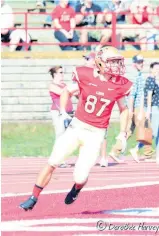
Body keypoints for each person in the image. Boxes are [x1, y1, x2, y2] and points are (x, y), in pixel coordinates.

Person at [19, 46, 132, 210]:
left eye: (117, 62)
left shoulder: (120, 84)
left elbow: (124, 109)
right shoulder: (85, 75)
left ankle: (77, 188)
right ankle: (33, 198)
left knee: (80, 177)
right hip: (77, 127)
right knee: (53, 161)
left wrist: (122, 134)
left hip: (96, 134)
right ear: (100, 63)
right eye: (112, 62)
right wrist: (64, 112)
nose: (116, 66)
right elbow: (67, 91)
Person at [49, 66, 74, 168]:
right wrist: (71, 89)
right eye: (60, 72)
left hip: (67, 112)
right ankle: (58, 160)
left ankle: (61, 159)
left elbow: (72, 92)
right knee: (60, 135)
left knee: (66, 137)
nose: (62, 74)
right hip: (58, 112)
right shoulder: (52, 85)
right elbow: (63, 93)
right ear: (54, 74)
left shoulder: (64, 85)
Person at [137, 62, 159, 163]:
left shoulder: (154, 80)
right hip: (153, 108)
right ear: (151, 69)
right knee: (153, 133)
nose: (157, 70)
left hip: (156, 107)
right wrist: (148, 111)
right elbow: (149, 96)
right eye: (155, 68)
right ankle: (136, 148)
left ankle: (158, 156)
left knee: (157, 133)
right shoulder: (150, 79)